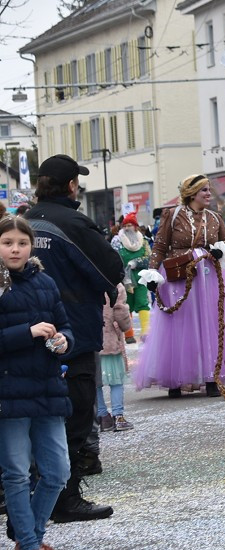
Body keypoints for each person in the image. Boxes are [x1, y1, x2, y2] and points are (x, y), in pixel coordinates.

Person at [25, 154, 124, 523]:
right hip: (72, 332)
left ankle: (24, 492)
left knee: (28, 414)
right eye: (77, 182)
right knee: (75, 413)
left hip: (23, 334)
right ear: (70, 186)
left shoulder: (21, 223)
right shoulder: (74, 223)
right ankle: (65, 498)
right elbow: (109, 269)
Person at [0, 216, 74, 550]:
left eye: (21, 242)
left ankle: (31, 539)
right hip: (9, 391)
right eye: (7, 242)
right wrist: (27, 333)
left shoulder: (45, 281)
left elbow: (67, 326)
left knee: (58, 470)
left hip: (47, 389)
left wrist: (63, 341)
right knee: (15, 474)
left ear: (31, 246)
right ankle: (30, 547)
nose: (15, 249)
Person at [134, 174, 225, 398]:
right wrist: (153, 273)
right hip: (179, 275)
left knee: (211, 324)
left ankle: (212, 376)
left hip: (211, 277)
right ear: (191, 193)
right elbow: (160, 245)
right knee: (179, 326)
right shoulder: (172, 215)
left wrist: (220, 250)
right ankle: (176, 380)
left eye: (208, 190)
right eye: (204, 190)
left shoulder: (215, 217)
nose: (208, 194)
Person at [97, 283, 133, 433]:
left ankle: (102, 417)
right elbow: (120, 312)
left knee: (96, 382)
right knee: (116, 381)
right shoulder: (114, 284)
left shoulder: (84, 278)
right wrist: (126, 326)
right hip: (111, 340)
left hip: (92, 340)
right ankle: (118, 416)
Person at [115, 213, 151, 339]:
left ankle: (145, 332)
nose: (128, 228)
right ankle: (128, 334)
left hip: (141, 276)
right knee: (127, 304)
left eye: (130, 225)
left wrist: (137, 262)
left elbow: (149, 257)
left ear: (135, 227)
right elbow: (112, 257)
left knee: (142, 302)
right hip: (125, 277)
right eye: (125, 225)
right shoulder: (117, 241)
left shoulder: (143, 241)